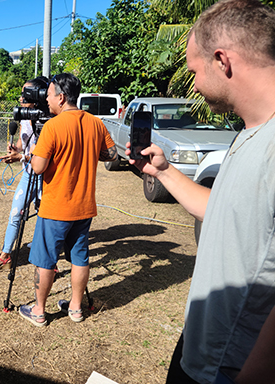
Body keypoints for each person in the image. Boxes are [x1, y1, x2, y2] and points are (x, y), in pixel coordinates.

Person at [125, 0, 275, 382]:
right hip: (202, 351)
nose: (192, 83)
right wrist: (165, 172)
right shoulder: (249, 131)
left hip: (234, 369)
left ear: (222, 61)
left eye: (194, 70)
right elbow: (225, 212)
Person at [18, 73, 117, 327]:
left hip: (55, 208)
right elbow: (112, 154)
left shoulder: (52, 126)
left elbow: (38, 168)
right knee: (79, 257)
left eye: (49, 95)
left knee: (45, 259)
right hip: (84, 207)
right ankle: (75, 308)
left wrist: (31, 156)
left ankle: (39, 311)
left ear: (61, 97)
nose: (47, 100)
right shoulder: (95, 123)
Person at [0, 76, 49, 271]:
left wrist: (21, 156)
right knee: (16, 214)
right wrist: (16, 148)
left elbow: (46, 154)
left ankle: (48, 258)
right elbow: (23, 143)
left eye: (25, 94)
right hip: (28, 175)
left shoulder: (48, 121)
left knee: (46, 217)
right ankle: (6, 254)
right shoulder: (24, 117)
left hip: (47, 178)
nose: (21, 98)